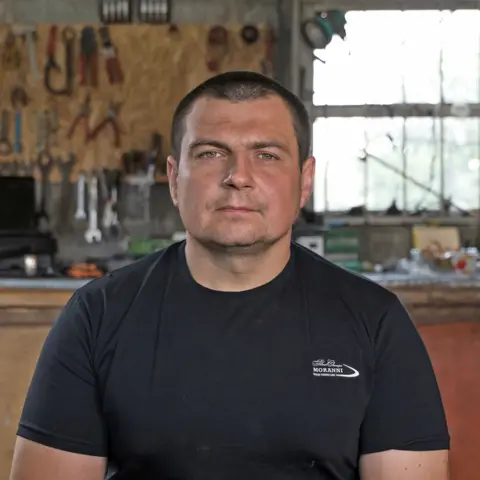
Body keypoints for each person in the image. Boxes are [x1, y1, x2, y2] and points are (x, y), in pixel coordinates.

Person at [9, 71, 449, 480]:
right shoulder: (96, 316)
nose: (238, 176)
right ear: (174, 178)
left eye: (267, 154)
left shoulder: (375, 323)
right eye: (211, 153)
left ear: (305, 179)